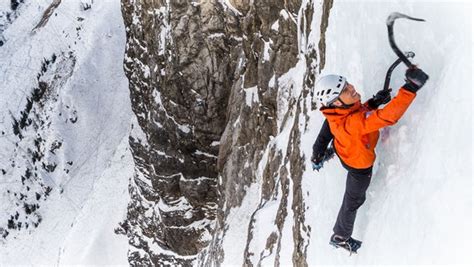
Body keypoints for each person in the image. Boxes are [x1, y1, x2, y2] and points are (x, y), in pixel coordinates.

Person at [311, 67, 429, 252]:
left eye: (347, 83)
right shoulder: (353, 124)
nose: (351, 88)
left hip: (345, 147)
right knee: (353, 201)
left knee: (336, 136)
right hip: (359, 167)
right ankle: (340, 237)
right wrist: (410, 88)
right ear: (336, 102)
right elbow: (386, 117)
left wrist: (372, 103)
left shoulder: (335, 114)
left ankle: (326, 154)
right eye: (344, 90)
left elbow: (351, 117)